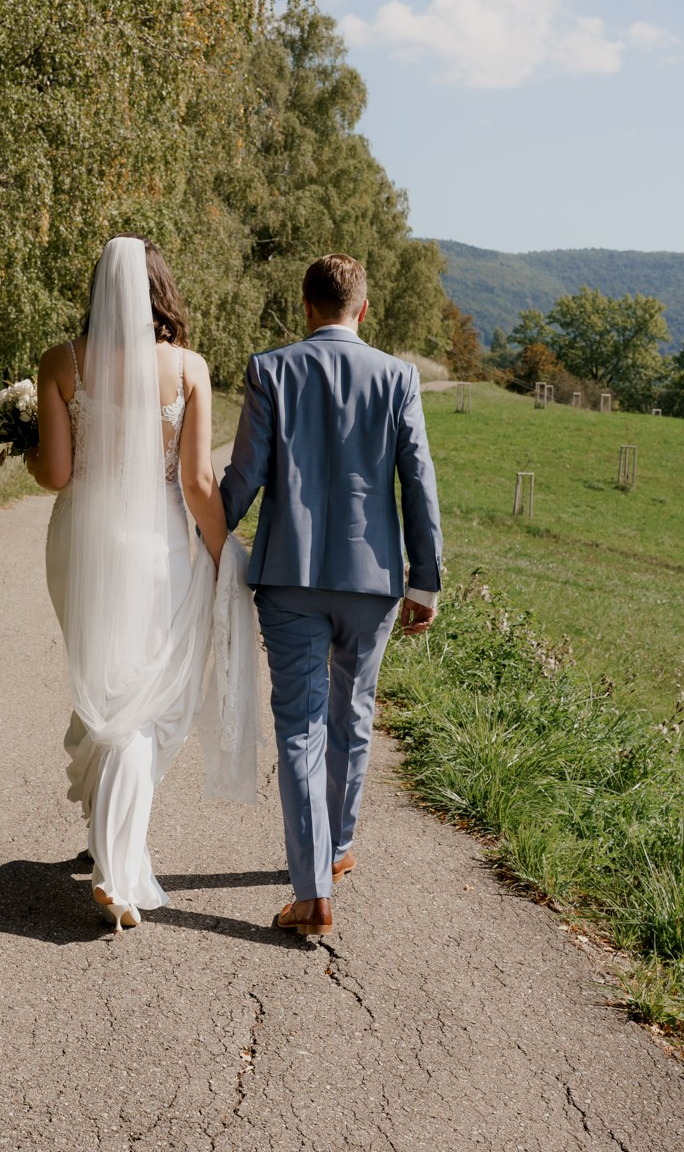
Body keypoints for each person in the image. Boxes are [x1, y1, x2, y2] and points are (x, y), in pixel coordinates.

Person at [28, 236, 256, 930]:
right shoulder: (188, 368)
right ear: (163, 291)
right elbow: (194, 482)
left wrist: (27, 449)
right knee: (148, 698)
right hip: (157, 545)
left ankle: (111, 849)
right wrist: (225, 556)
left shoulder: (61, 362)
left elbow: (58, 475)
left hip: (84, 541)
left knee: (103, 682)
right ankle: (117, 870)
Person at [219, 253, 443, 937]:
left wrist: (203, 535)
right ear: (363, 310)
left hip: (289, 576)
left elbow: (245, 475)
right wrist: (425, 579)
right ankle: (337, 849)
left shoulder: (271, 369)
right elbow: (418, 481)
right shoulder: (399, 376)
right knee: (354, 715)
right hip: (373, 582)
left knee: (299, 727)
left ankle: (313, 891)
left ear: (307, 306)